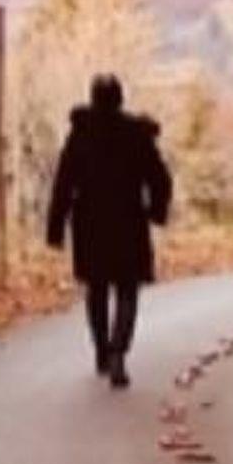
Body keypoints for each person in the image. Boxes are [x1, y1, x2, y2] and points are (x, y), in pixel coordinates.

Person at [44, 73, 172, 389]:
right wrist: (156, 211)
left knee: (97, 289)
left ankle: (102, 349)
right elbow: (160, 178)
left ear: (92, 99)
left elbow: (64, 182)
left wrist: (56, 227)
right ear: (120, 99)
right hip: (129, 221)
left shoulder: (81, 134)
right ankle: (118, 351)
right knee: (127, 290)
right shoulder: (136, 134)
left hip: (90, 224)